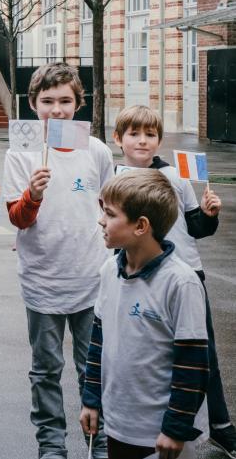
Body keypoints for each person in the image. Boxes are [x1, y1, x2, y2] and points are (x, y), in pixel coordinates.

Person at [2, 62, 112, 459]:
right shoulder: (21, 153)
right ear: (33, 104)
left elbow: (108, 208)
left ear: (78, 103)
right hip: (42, 279)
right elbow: (17, 219)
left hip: (90, 278)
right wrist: (32, 194)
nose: (57, 109)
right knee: (46, 370)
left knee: (94, 368)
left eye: (66, 101)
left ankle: (99, 442)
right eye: (47, 101)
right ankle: (51, 444)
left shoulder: (96, 150)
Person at [111, 105, 234, 456]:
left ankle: (221, 426)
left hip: (185, 275)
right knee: (143, 354)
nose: (142, 141)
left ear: (159, 140)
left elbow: (196, 226)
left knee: (201, 352)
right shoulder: (114, 177)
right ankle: (142, 425)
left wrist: (209, 215)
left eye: (150, 134)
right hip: (137, 277)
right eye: (134, 133)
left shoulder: (177, 176)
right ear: (119, 139)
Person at [80, 169, 209, 459]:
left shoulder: (180, 282)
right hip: (118, 424)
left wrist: (175, 428)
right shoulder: (109, 271)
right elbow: (98, 343)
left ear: (141, 226)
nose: (101, 220)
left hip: (162, 435)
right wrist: (91, 400)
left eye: (110, 214)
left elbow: (193, 363)